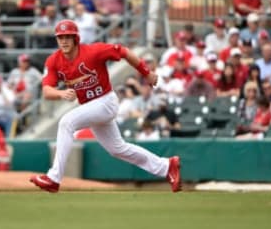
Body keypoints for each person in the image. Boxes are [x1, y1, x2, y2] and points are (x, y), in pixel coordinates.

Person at [29, 20, 181, 193]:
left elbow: (123, 51)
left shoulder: (93, 51)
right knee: (118, 149)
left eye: (68, 37)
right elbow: (47, 91)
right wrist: (60, 94)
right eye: (60, 37)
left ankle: (54, 178)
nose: (64, 41)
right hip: (91, 108)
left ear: (75, 38)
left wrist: (146, 73)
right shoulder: (54, 61)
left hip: (105, 101)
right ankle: (167, 166)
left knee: (66, 122)